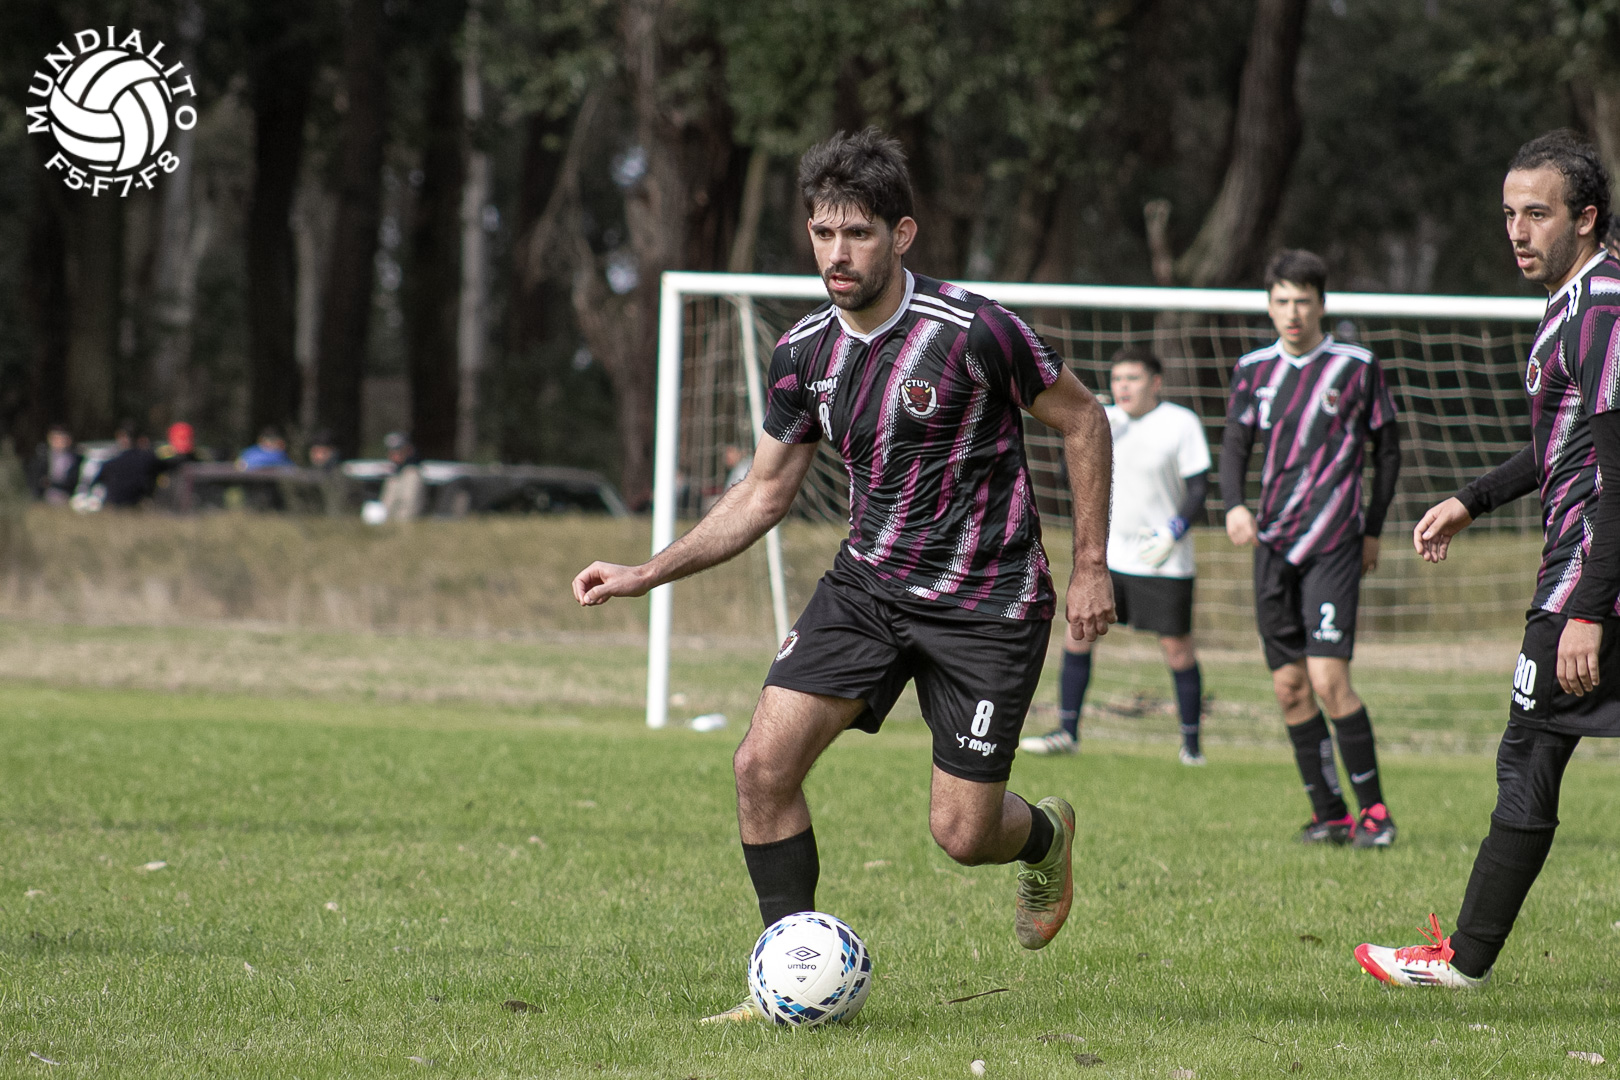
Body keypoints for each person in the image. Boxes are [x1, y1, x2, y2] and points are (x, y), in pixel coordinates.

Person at [571, 128, 1115, 1022]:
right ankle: (784, 978)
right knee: (760, 767)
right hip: (867, 589)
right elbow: (763, 493)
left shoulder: (976, 331)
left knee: (961, 834)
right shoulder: (803, 354)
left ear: (901, 235)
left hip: (987, 603)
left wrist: (1091, 565)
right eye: (823, 232)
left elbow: (1085, 421)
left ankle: (1045, 837)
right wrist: (646, 572)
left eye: (857, 233)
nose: (836, 253)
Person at [1356, 131, 1620, 988]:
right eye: (1509, 213)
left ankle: (1462, 962)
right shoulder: (1574, 303)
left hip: (1590, 576)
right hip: (1586, 572)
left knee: (1530, 749)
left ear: (1586, 218)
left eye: (1537, 214)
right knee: (1532, 749)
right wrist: (1472, 499)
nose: (1517, 231)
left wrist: (1587, 609)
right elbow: (1562, 447)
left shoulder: (1603, 312)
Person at [1221, 249, 1402, 847]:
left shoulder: (1357, 366)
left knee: (1328, 679)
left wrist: (1373, 529)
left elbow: (1388, 451)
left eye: (1303, 301)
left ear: (1321, 304)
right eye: (1282, 301)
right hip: (1273, 544)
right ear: (1269, 305)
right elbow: (1235, 446)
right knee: (1289, 687)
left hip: (1334, 543)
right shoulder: (1253, 370)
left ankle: (1376, 815)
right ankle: (1331, 816)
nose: (1292, 312)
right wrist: (1235, 505)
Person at [1021, 346, 1212, 764]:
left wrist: (1174, 532)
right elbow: (1067, 474)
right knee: (1078, 634)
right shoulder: (1104, 419)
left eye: (1133, 378)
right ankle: (1067, 733)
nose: (1123, 386)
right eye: (1118, 378)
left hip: (1163, 558)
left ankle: (1192, 747)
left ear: (1155, 383)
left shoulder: (1180, 423)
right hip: (1109, 558)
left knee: (1177, 648)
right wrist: (1094, 429)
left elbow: (1199, 489)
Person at [96, 422, 162, 508]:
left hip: (113, 505)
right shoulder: (149, 459)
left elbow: (97, 482)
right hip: (137, 505)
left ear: (121, 437)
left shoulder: (110, 461)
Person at [28, 424, 81, 505]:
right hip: (45, 499)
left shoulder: (74, 459)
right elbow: (35, 480)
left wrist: (52, 483)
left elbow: (73, 482)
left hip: (67, 499)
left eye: (61, 439)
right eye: (56, 439)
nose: (59, 442)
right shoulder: (42, 458)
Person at [379, 431, 426, 522]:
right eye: (391, 451)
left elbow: (409, 509)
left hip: (403, 524)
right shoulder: (393, 476)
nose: (394, 454)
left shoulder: (413, 475)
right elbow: (386, 505)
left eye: (398, 450)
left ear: (408, 451)